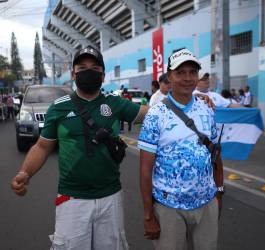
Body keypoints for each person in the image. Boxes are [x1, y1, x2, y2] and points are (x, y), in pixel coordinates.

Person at [11, 45, 149, 250]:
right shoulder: (58, 107)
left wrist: (189, 98)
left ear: (103, 75)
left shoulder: (115, 103)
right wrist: (25, 172)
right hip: (72, 199)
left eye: (94, 68)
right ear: (74, 74)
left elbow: (149, 113)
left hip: (110, 197)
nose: (88, 71)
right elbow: (42, 146)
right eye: (82, 67)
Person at [138, 48, 224, 250]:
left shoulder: (207, 108)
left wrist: (219, 192)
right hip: (168, 208)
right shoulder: (155, 115)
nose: (187, 78)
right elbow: (144, 170)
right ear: (170, 77)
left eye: (192, 72)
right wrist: (148, 214)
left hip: (207, 203)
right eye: (180, 72)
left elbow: (216, 155)